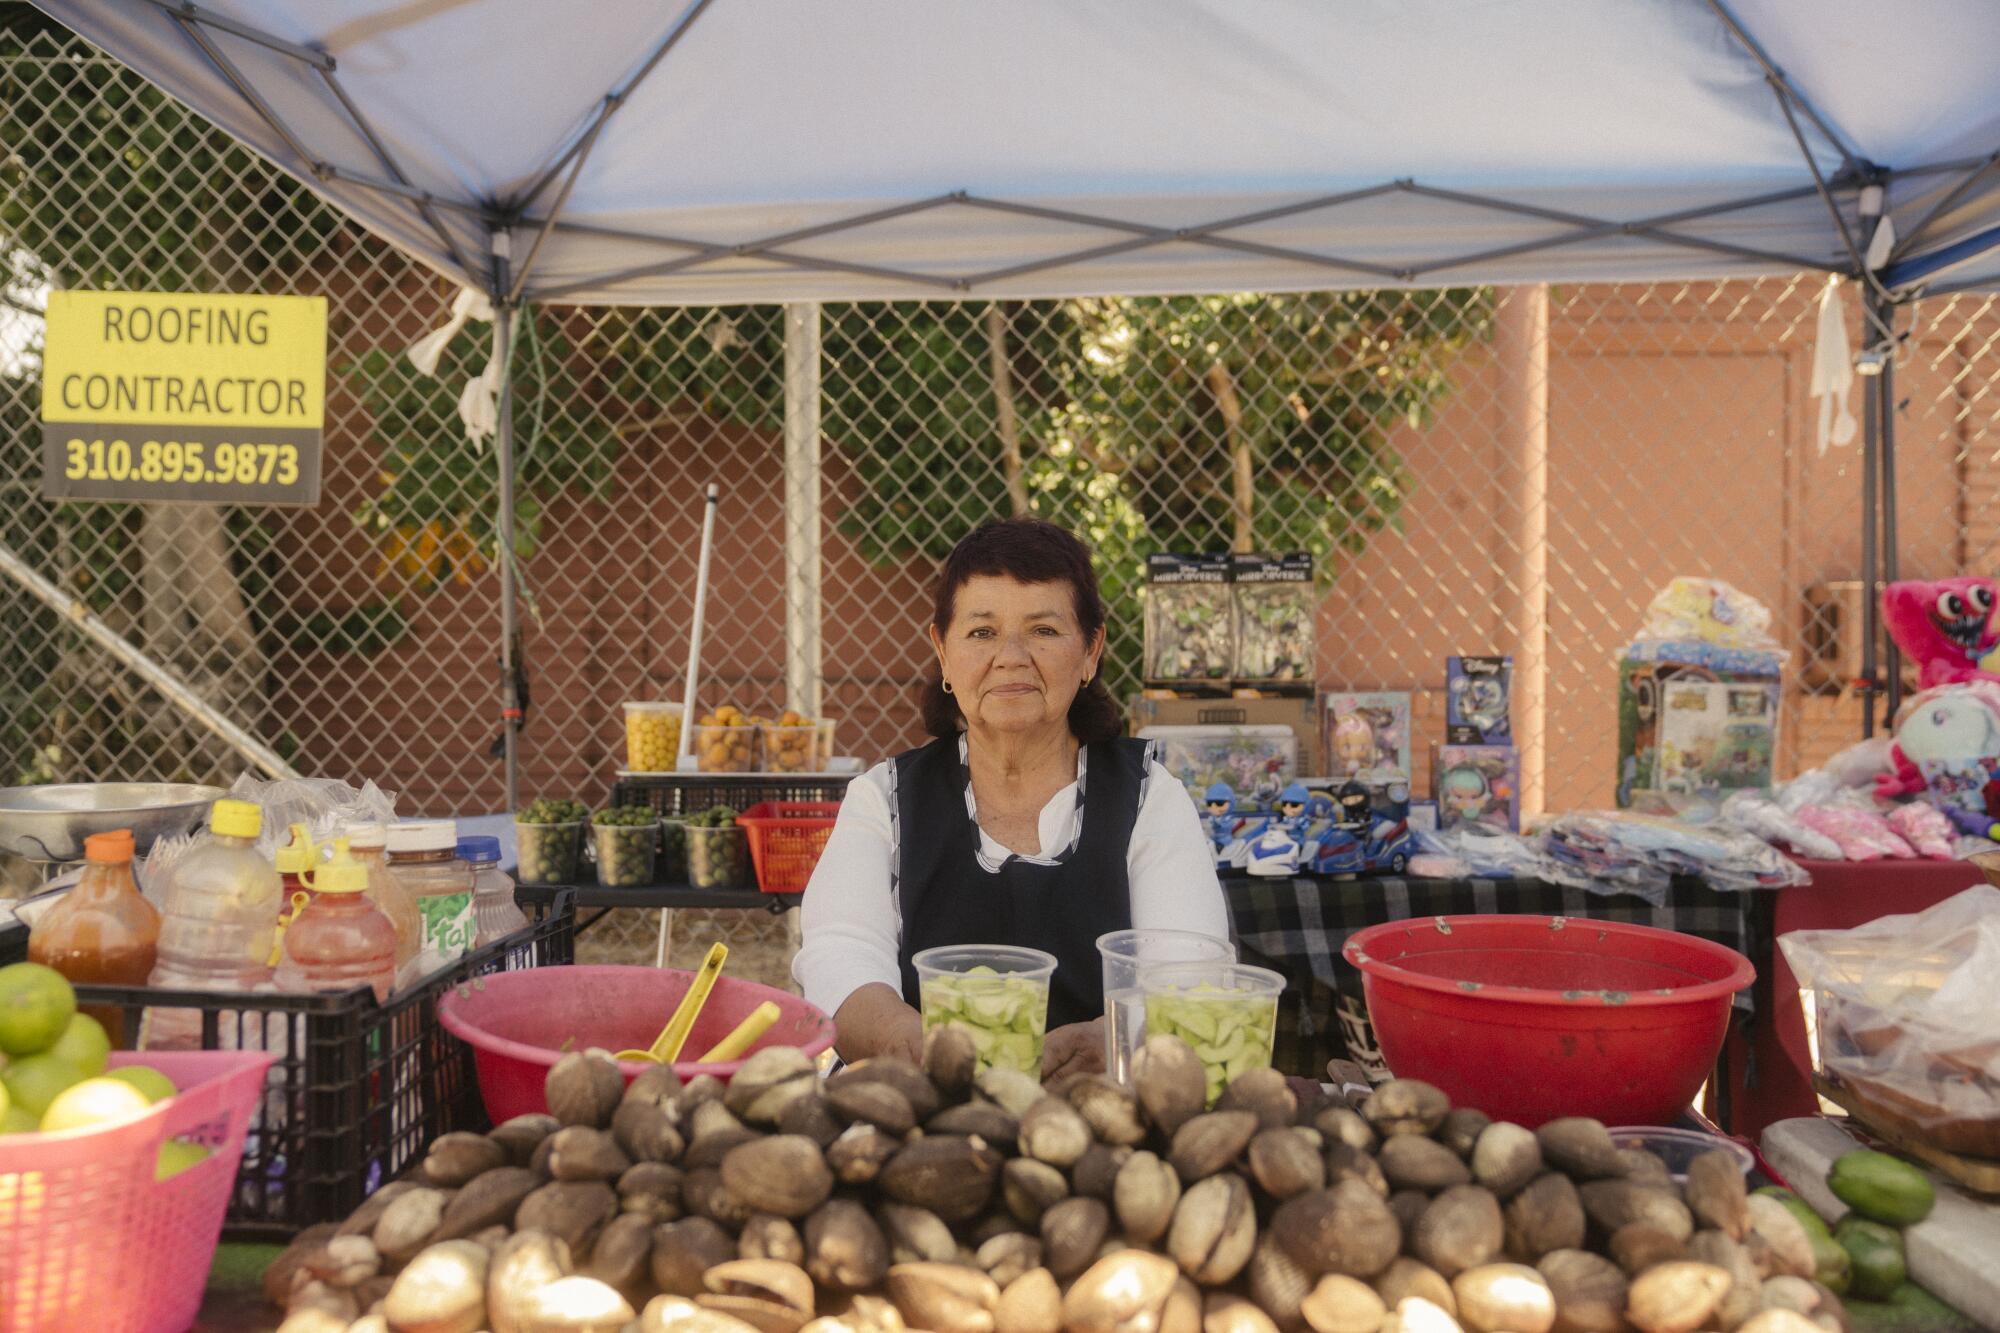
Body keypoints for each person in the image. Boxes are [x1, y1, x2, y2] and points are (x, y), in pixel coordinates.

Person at [793, 517, 1229, 1078]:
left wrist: (1117, 1038)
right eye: (982, 632)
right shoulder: (883, 799)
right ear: (943, 652)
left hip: (1101, 1116)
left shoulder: (1149, 798)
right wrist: (905, 1041)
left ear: (1091, 651)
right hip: (921, 1112)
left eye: (1044, 630)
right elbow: (838, 953)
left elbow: (1191, 970)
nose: (1012, 656)